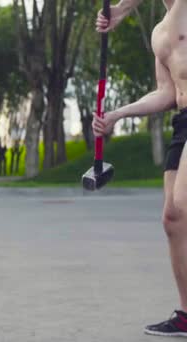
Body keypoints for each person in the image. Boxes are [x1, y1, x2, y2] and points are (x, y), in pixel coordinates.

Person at [94, 0, 187, 337]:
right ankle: (186, 315)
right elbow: (166, 93)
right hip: (183, 121)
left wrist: (120, 8)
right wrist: (116, 115)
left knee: (183, 202)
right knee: (173, 219)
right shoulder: (161, 31)